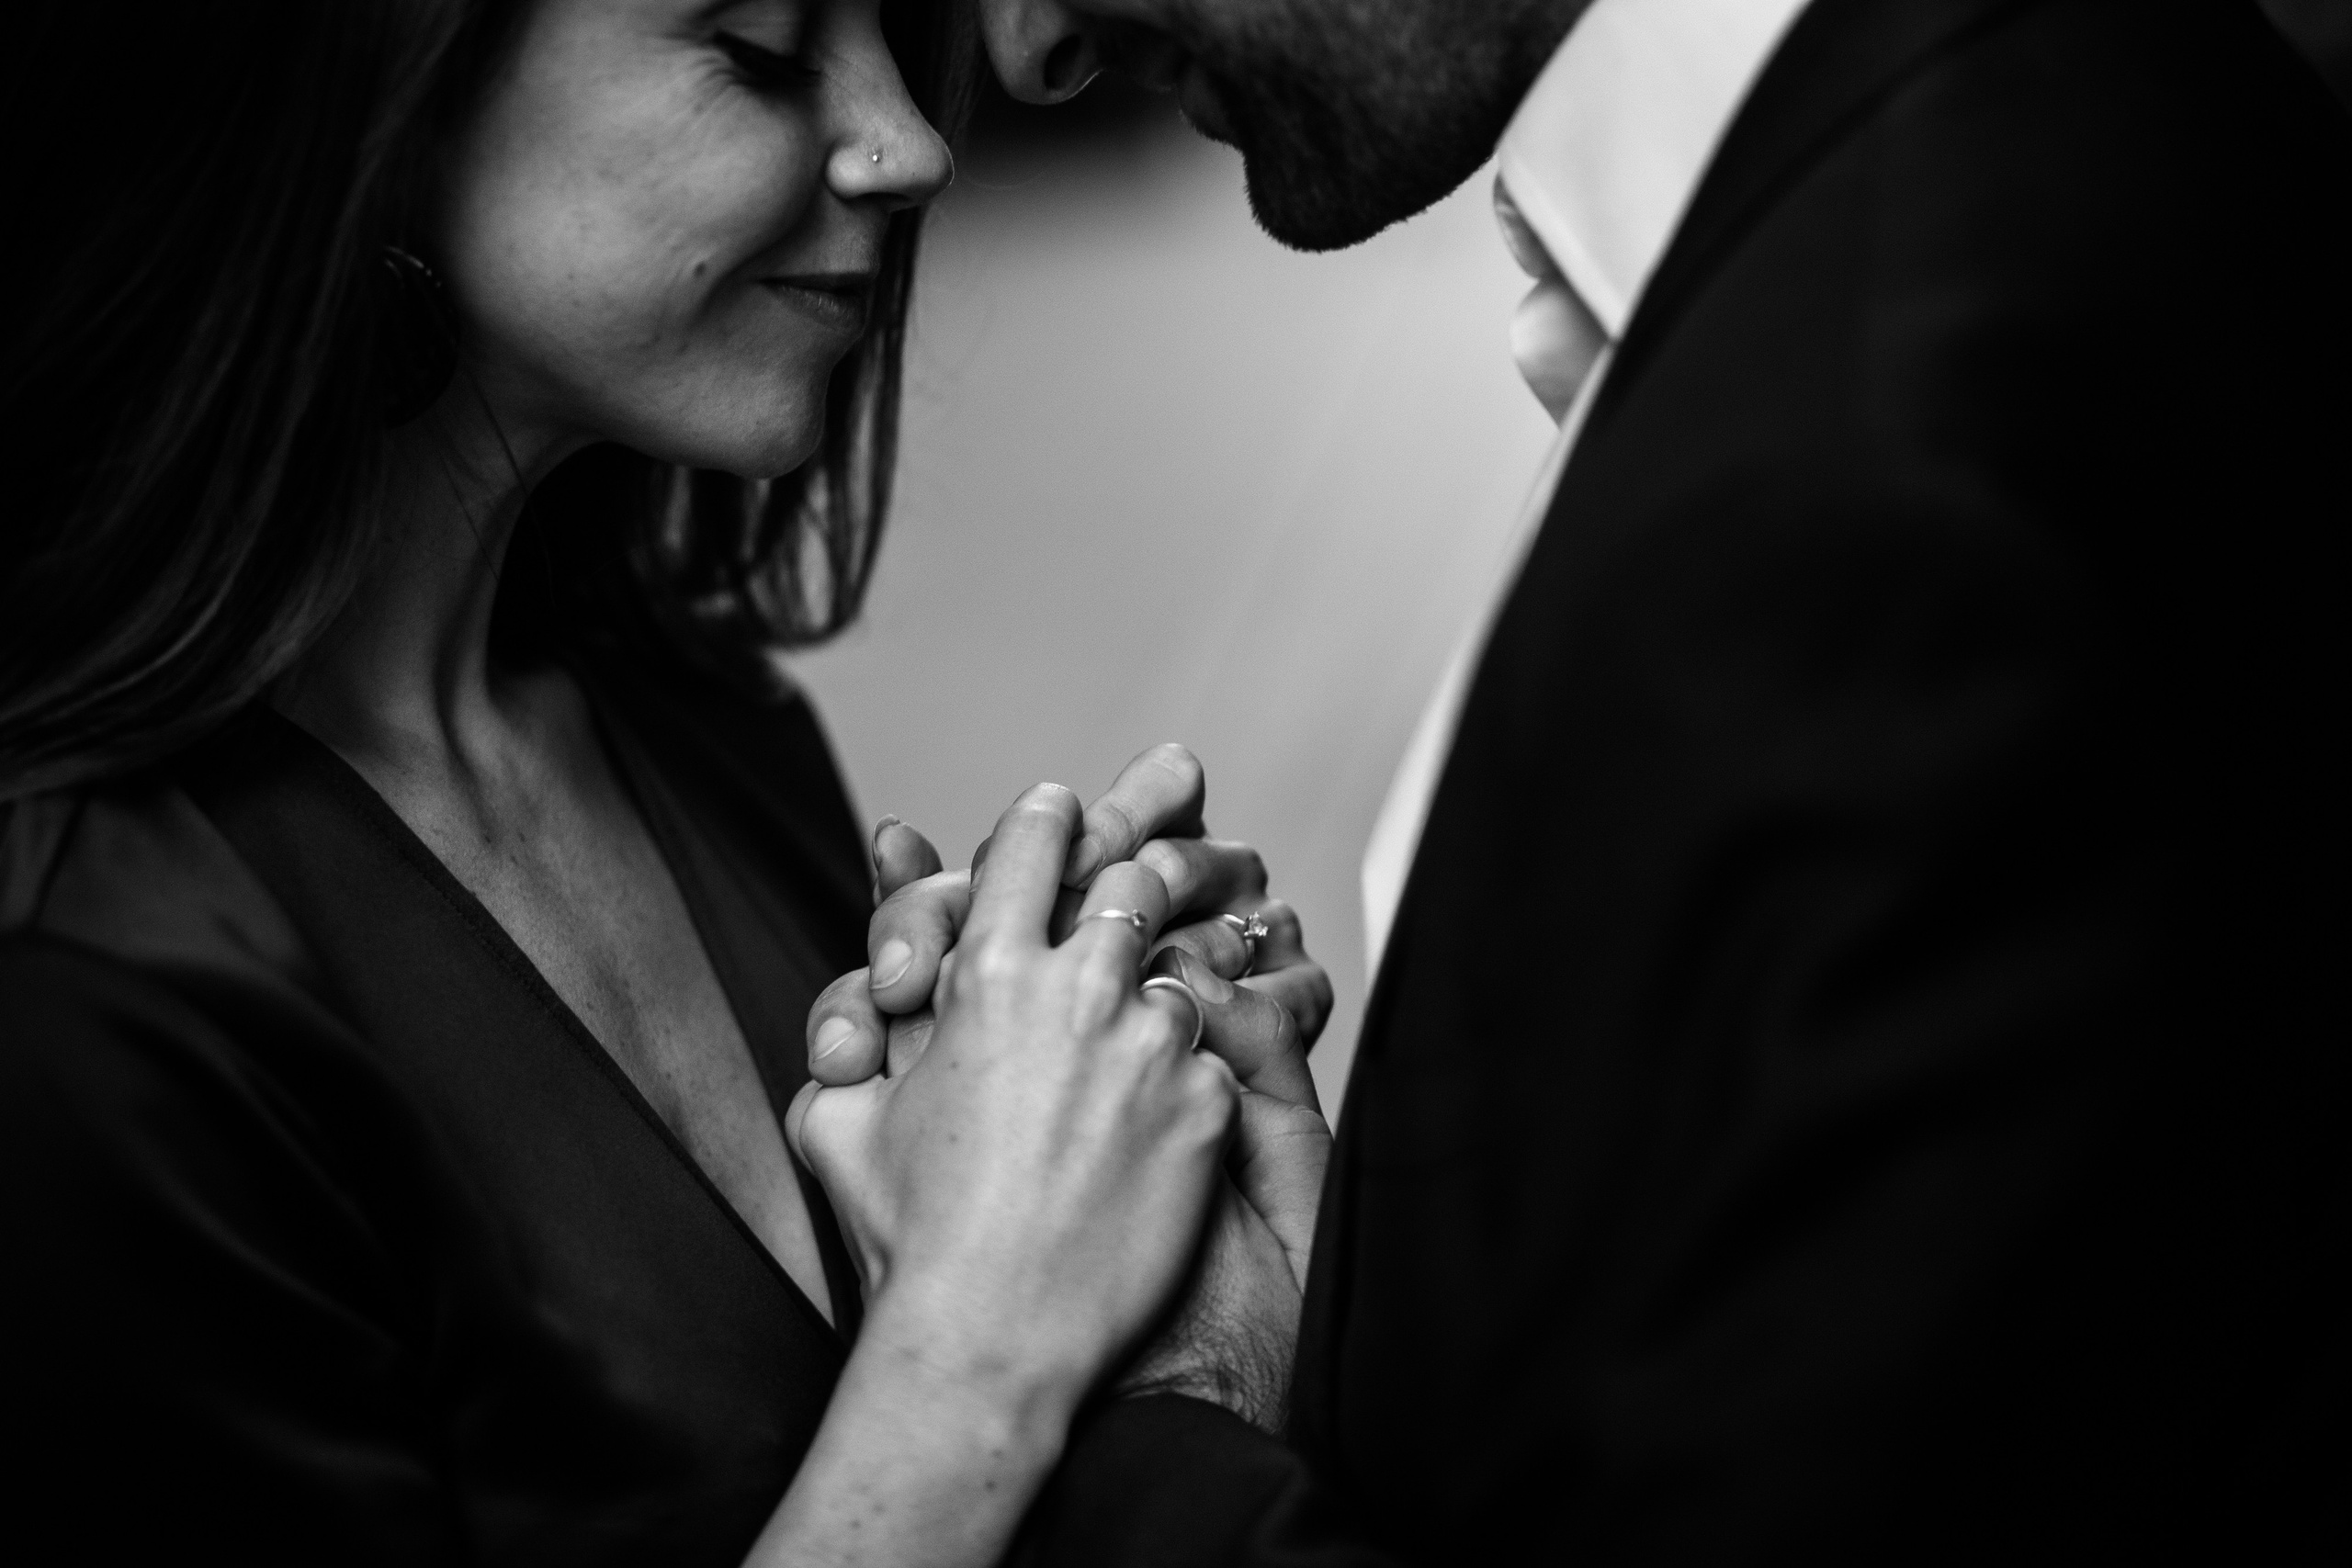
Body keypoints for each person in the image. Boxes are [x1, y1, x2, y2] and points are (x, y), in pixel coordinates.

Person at [795, 0, 2349, 1558]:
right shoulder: (1951, 178)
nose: (1025, 47)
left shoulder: (1905, 452)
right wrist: (1327, 1356)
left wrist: (1129, 1403)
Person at [0, 1, 1330, 1562]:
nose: (910, 145)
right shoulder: (82, 990)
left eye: (897, 28)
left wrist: (1173, 1247)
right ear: (376, 97)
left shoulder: (700, 719)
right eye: (763, 47)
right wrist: (986, 1336)